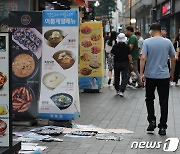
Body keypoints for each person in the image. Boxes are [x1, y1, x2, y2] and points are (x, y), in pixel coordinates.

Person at [140, 23, 176, 135]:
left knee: (149, 99)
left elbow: (143, 58)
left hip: (150, 76)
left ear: (151, 30)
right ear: (160, 30)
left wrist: (141, 74)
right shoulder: (168, 42)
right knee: (163, 101)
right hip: (164, 76)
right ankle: (162, 127)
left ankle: (152, 120)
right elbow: (173, 58)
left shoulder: (147, 42)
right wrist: (172, 72)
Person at [111, 33, 133, 97]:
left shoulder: (115, 46)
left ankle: (117, 89)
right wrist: (131, 63)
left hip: (117, 63)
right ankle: (122, 90)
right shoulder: (127, 47)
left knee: (117, 77)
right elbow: (129, 55)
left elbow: (112, 54)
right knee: (124, 77)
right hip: (125, 63)